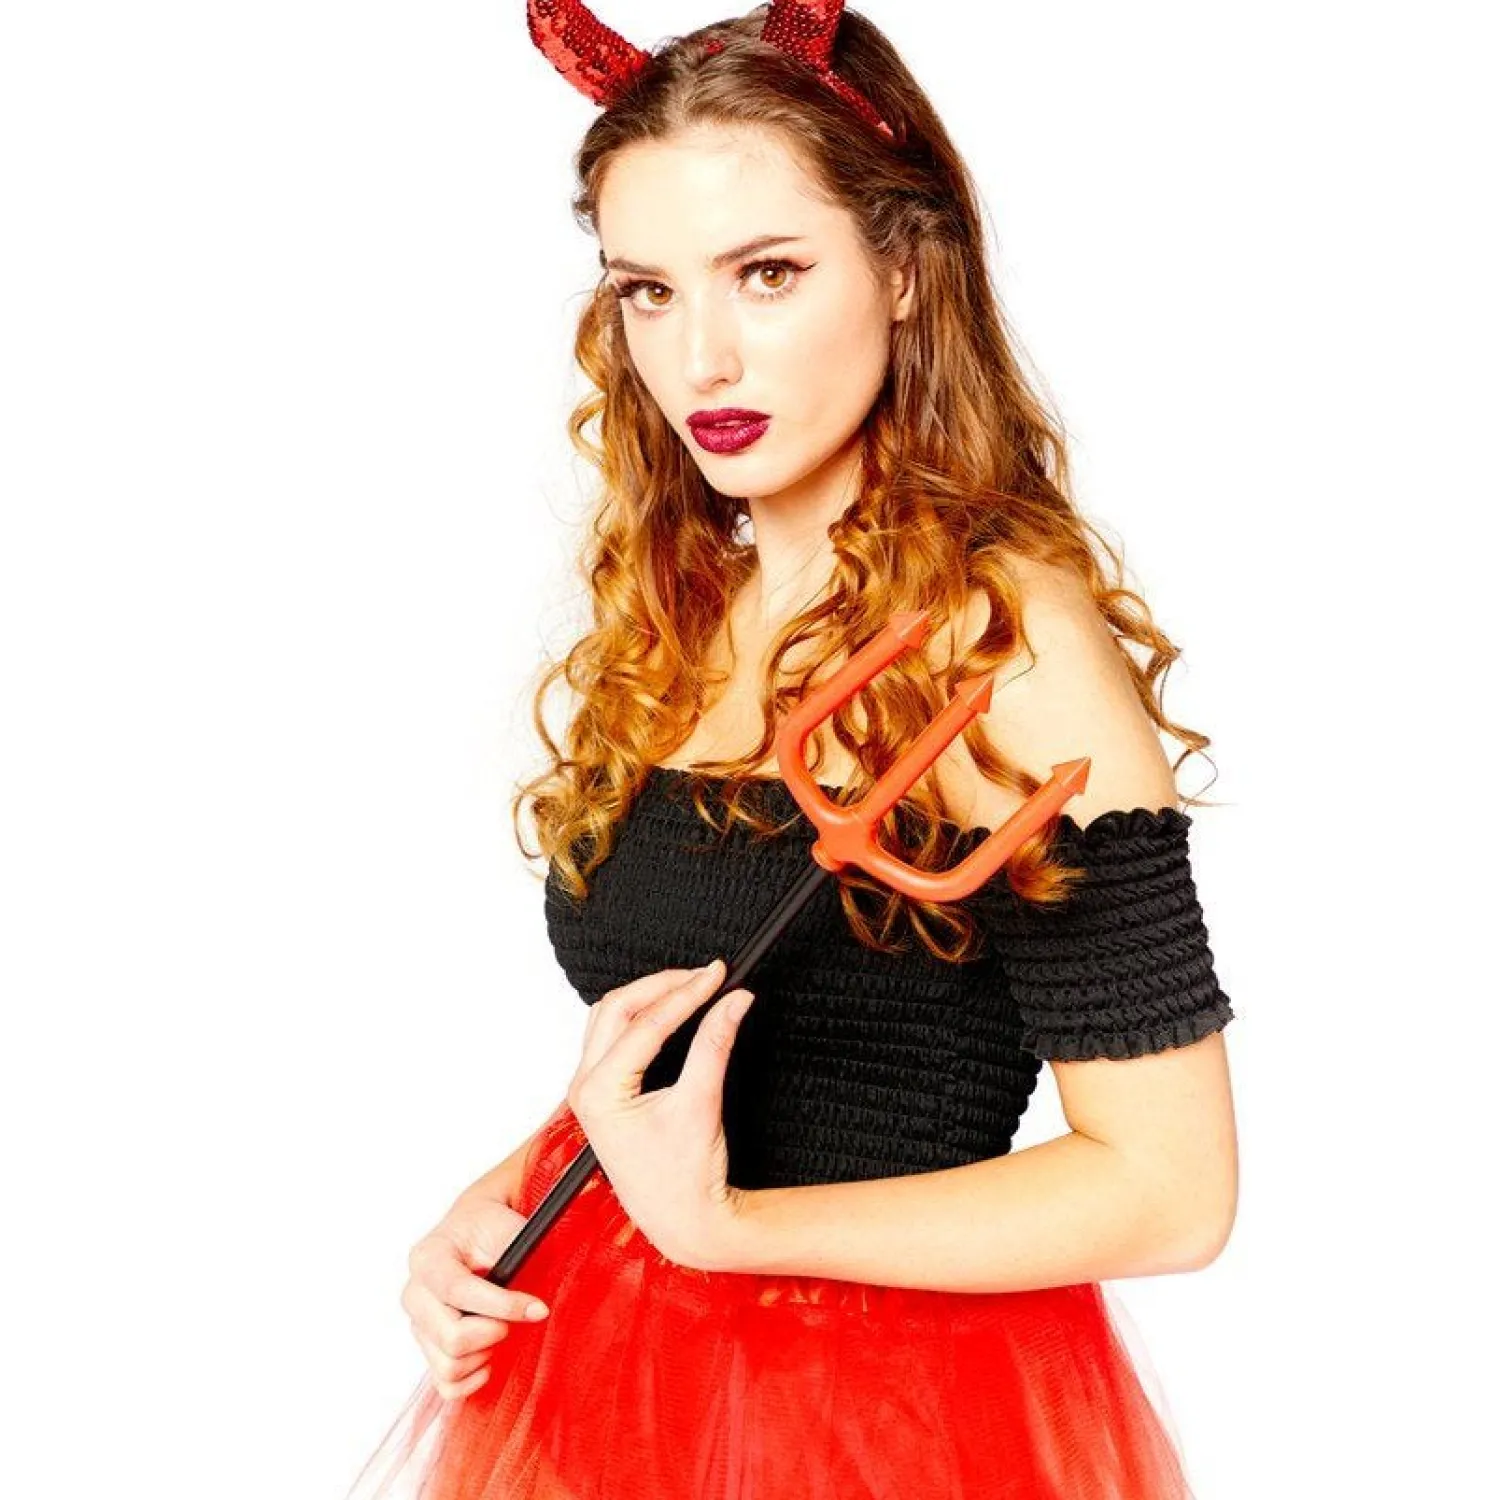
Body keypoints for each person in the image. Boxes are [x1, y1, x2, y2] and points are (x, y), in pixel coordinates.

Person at [347, 4, 1238, 1496]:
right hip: (601, 1368)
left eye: (767, 274)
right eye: (648, 291)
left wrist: (734, 1231)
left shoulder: (1002, 645)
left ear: (904, 268)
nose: (700, 357)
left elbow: (1170, 1190)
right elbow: (708, 1041)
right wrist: (504, 1196)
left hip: (885, 1416)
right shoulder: (689, 613)